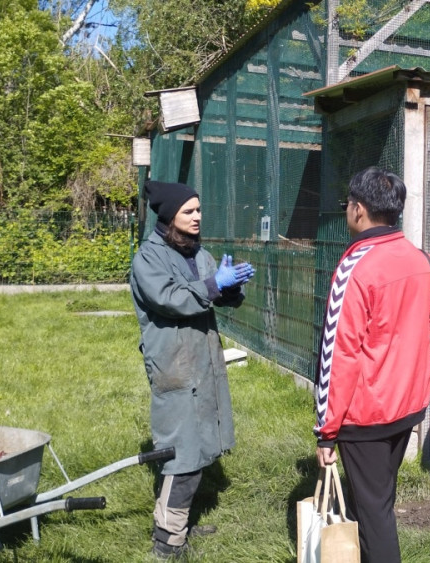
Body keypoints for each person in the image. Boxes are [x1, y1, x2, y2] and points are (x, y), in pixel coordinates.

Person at [314, 167, 430, 563]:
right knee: (377, 501)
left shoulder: (354, 268)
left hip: (366, 413)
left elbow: (338, 354)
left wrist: (326, 431)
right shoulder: (423, 260)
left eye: (347, 205)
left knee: (374, 514)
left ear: (358, 209)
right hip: (408, 406)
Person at [129, 180, 255, 559]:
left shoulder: (198, 253)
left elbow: (214, 293)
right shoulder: (147, 259)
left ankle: (182, 523)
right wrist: (214, 285)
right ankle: (167, 542)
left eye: (199, 210)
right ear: (169, 216)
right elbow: (172, 300)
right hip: (175, 365)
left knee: (200, 446)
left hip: (202, 362)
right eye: (189, 211)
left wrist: (230, 288)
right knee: (181, 455)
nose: (198, 216)